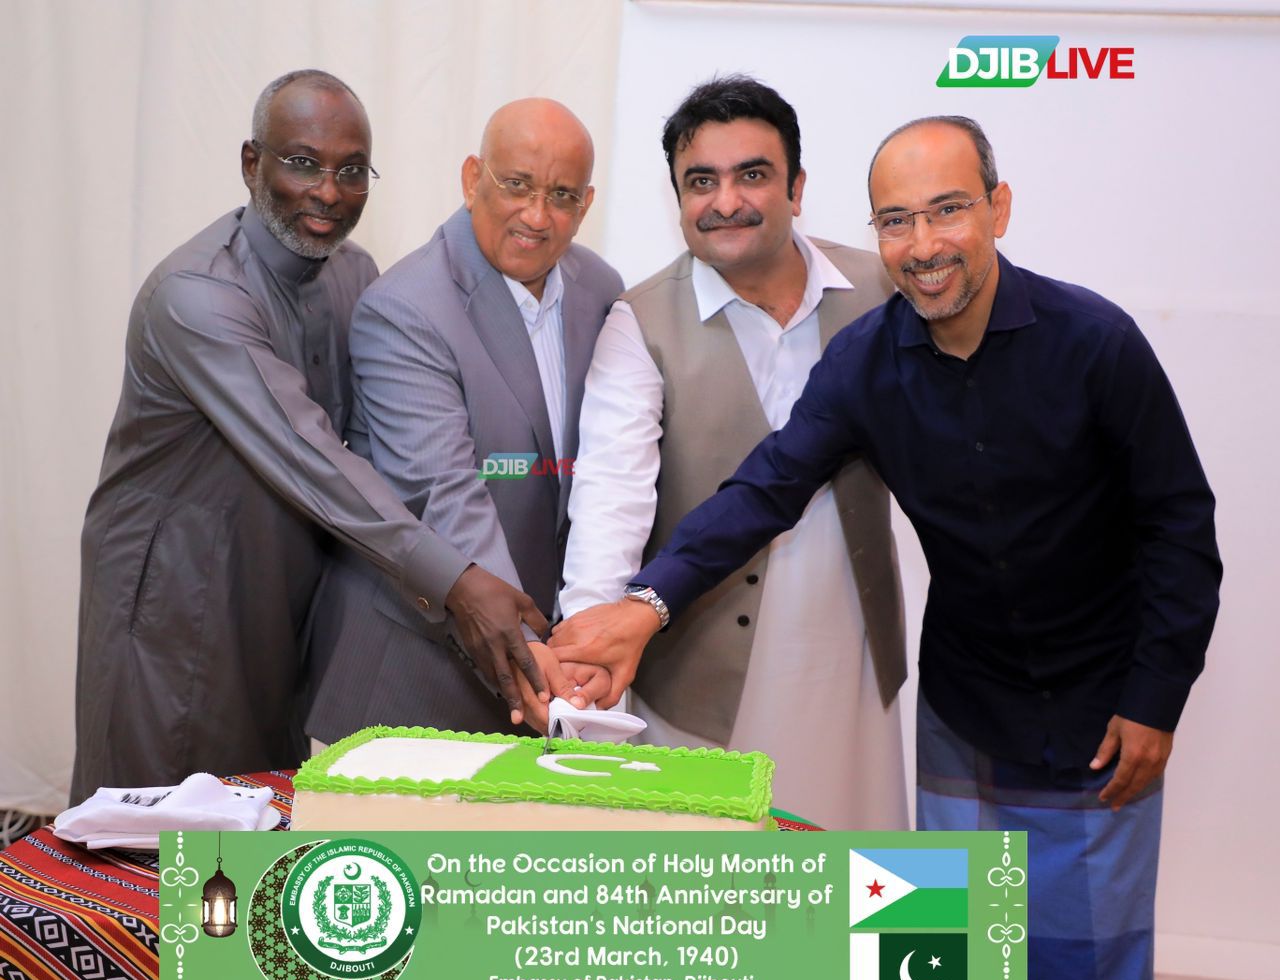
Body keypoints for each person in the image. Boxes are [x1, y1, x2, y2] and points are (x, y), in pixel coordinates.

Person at [551, 116, 1221, 980]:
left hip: (1101, 714)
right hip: (963, 708)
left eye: (948, 210)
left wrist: (1155, 698)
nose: (924, 244)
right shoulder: (866, 360)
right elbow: (765, 489)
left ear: (998, 208)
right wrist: (644, 605)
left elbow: (1180, 528)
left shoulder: (1096, 342)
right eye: (896, 221)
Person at [73, 71, 556, 805]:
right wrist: (457, 580)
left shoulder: (352, 274)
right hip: (176, 598)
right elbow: (312, 457)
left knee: (263, 809)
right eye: (302, 163)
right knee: (161, 826)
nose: (329, 192)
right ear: (252, 163)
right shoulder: (198, 295)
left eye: (352, 170)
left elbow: (387, 434)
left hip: (288, 591)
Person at [559, 75, 908, 833]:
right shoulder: (640, 321)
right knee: (717, 881)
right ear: (677, 198)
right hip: (701, 671)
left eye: (752, 174)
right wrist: (590, 645)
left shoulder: (883, 290)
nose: (726, 201)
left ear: (797, 188)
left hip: (850, 653)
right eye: (701, 181)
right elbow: (611, 498)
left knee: (860, 874)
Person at [303, 98, 623, 744]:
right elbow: (445, 494)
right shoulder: (404, 308)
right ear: (472, 178)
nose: (537, 215)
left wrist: (588, 638)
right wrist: (532, 653)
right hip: (414, 676)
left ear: (587, 204)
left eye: (562, 195)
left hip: (546, 668)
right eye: (517, 185)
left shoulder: (600, 288)